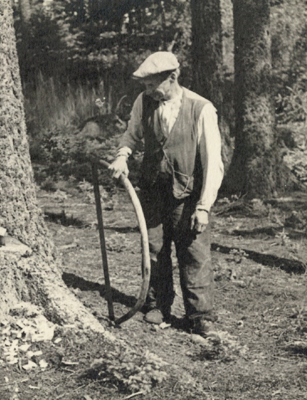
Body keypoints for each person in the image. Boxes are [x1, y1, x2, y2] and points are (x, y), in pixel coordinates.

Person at [108, 52, 224, 336]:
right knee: (155, 249)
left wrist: (204, 206)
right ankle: (158, 305)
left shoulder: (201, 108)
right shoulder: (144, 102)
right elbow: (132, 134)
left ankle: (200, 315)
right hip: (153, 192)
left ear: (172, 77)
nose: (147, 90)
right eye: (145, 85)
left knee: (193, 253)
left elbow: (213, 163)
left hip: (187, 196)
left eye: (151, 84)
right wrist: (123, 155)